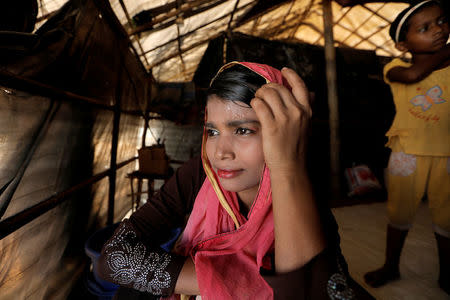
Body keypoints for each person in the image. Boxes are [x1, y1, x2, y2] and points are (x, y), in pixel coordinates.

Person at [97, 62, 357, 299]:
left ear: (286, 133)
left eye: (243, 130)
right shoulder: (203, 174)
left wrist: (286, 166)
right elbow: (112, 259)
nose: (221, 152)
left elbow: (312, 294)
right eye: (212, 131)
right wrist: (234, 283)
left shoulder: (305, 203)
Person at [363, 0, 450, 294]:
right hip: (407, 155)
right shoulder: (397, 67)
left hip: (447, 156)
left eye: (440, 21)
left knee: (447, 219)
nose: (438, 30)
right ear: (402, 46)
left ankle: (446, 274)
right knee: (400, 214)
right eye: (425, 28)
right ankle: (391, 266)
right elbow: (415, 76)